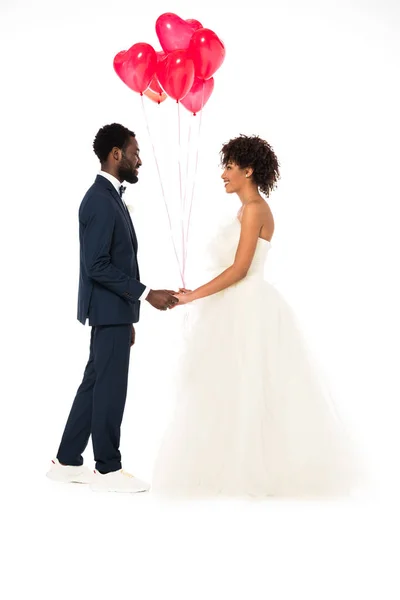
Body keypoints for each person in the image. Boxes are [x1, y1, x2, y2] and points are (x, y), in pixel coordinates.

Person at [152, 134, 358, 497]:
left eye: (229, 168)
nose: (223, 175)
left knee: (251, 385)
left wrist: (191, 297)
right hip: (237, 306)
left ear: (249, 170)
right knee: (230, 386)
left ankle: (253, 471)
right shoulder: (244, 210)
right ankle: (230, 465)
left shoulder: (255, 210)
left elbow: (240, 269)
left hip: (248, 307)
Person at [46, 123, 178, 493]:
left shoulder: (108, 197)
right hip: (109, 310)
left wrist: (127, 314)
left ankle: (67, 461)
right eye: (135, 153)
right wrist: (146, 293)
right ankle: (107, 469)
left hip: (113, 312)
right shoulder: (101, 199)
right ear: (116, 154)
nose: (139, 161)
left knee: (95, 384)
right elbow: (97, 265)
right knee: (110, 389)